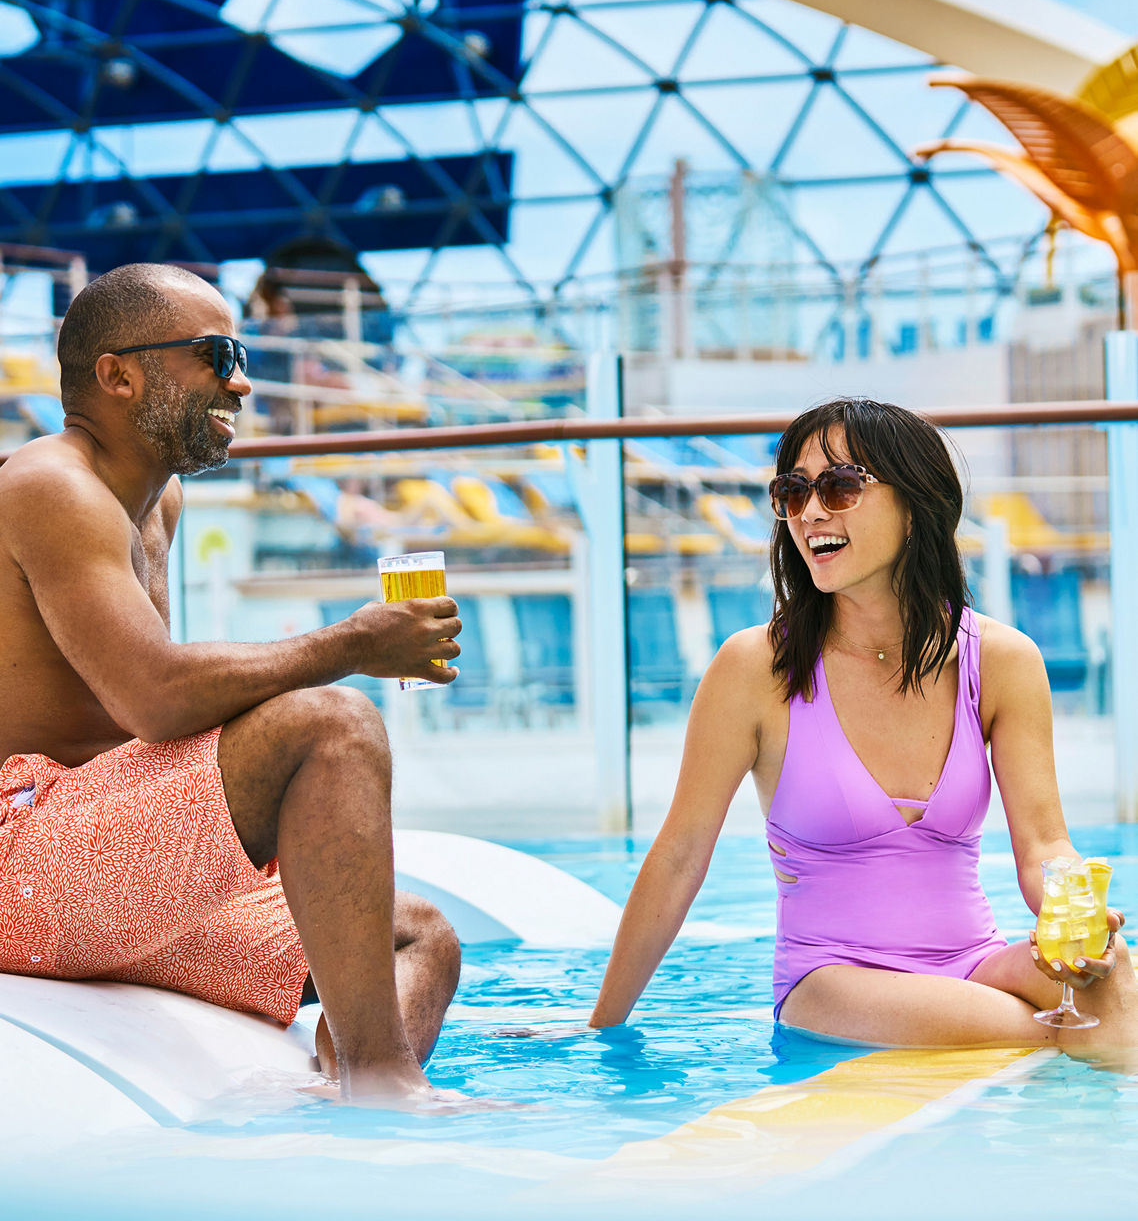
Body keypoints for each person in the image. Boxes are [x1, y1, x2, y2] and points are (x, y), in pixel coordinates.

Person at [0, 262, 463, 1105]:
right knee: (334, 721)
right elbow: (154, 698)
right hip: (20, 859)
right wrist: (358, 641)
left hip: (106, 864)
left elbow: (155, 726)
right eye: (216, 354)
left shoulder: (156, 499)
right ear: (117, 374)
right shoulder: (49, 487)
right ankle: (388, 1087)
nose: (241, 381)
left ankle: (337, 1095)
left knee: (420, 936)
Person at [591, 397, 1138, 1057]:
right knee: (1056, 1038)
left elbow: (1046, 845)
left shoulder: (1002, 661)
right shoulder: (754, 668)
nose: (811, 510)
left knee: (1118, 981)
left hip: (976, 961)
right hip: (833, 980)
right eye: (792, 491)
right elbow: (679, 856)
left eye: (840, 486)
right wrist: (601, 1031)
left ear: (916, 505)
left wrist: (1072, 915)